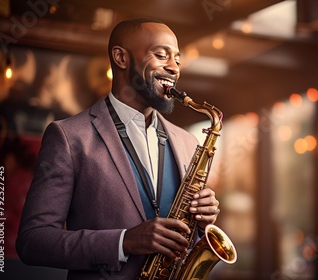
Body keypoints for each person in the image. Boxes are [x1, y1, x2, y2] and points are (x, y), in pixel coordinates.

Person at [16, 18, 221, 279]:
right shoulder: (69, 137)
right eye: (161, 55)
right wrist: (123, 242)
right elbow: (32, 242)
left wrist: (201, 222)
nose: (174, 68)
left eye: (177, 60)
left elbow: (187, 242)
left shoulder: (187, 141)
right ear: (121, 58)